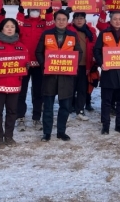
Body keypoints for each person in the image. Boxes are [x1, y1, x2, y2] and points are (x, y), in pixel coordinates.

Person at [35, 9, 82, 142]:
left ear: (68, 21)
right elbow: (38, 52)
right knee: (48, 107)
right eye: (59, 19)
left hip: (66, 77)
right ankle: (47, 133)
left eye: (64, 19)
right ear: (54, 20)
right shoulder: (46, 34)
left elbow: (79, 53)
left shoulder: (73, 35)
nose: (61, 22)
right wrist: (45, 65)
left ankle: (61, 132)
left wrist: (72, 64)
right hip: (49, 76)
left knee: (65, 107)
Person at [0, 18, 29, 148]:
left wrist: (26, 65)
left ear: (16, 29)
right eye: (7, 26)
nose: (9, 29)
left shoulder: (21, 46)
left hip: (14, 84)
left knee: (12, 111)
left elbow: (25, 60)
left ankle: (9, 136)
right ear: (2, 28)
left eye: (12, 27)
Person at [10, 6, 54, 131]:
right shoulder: (23, 22)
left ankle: (36, 117)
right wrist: (20, 12)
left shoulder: (44, 23)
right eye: (32, 9)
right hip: (24, 63)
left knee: (38, 92)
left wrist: (49, 13)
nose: (35, 11)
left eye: (37, 9)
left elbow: (51, 29)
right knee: (21, 91)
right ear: (28, 10)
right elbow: (16, 29)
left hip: (39, 63)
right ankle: (20, 117)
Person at [93, 11, 120, 135]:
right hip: (108, 72)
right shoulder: (104, 34)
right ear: (110, 20)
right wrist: (101, 64)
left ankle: (119, 125)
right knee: (106, 101)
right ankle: (105, 126)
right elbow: (96, 50)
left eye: (119, 19)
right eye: (115, 19)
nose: (117, 21)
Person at [67, 12, 97, 121]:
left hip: (85, 65)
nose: (79, 20)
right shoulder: (68, 29)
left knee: (82, 89)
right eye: (77, 18)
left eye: (81, 18)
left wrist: (95, 63)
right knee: (69, 89)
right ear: (73, 20)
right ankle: (68, 109)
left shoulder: (91, 32)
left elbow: (95, 47)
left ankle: (80, 110)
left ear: (85, 20)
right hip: (71, 65)